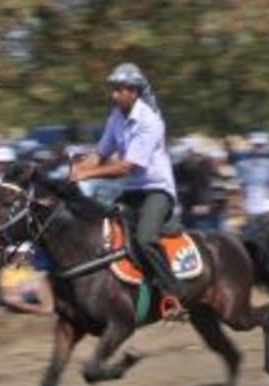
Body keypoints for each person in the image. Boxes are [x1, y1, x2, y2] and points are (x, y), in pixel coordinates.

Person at [69, 62, 185, 316]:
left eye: (118, 89)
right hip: (133, 191)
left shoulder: (150, 122)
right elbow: (99, 154)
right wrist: (73, 173)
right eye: (113, 89)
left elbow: (126, 167)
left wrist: (86, 174)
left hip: (157, 191)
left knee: (144, 239)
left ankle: (173, 295)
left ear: (133, 91)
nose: (113, 95)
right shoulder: (115, 117)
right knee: (101, 227)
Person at [237, 132, 269, 229]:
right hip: (251, 194)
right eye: (256, 146)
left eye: (261, 146)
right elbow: (241, 183)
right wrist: (242, 198)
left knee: (268, 222)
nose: (258, 148)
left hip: (267, 194)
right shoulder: (243, 163)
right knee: (252, 222)